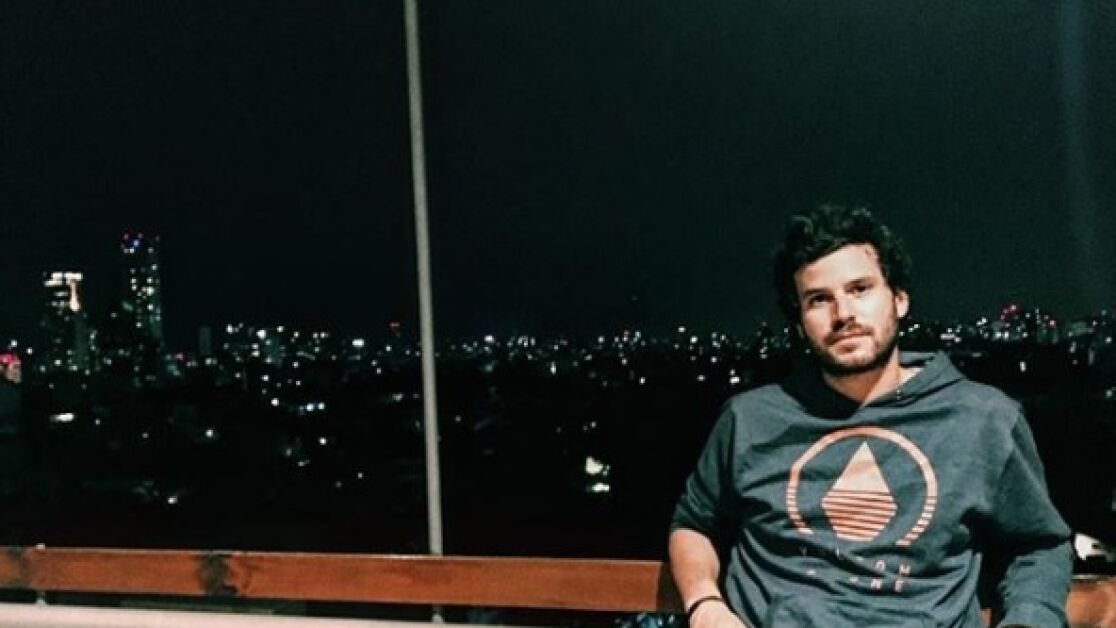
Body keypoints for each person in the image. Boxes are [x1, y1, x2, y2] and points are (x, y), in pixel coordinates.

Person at [668, 205, 1072, 627]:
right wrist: (705, 604)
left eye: (859, 289)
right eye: (819, 299)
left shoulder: (982, 419)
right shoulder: (749, 419)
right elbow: (694, 523)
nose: (843, 314)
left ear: (899, 299)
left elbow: (1040, 543)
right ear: (800, 322)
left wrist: (1029, 620)